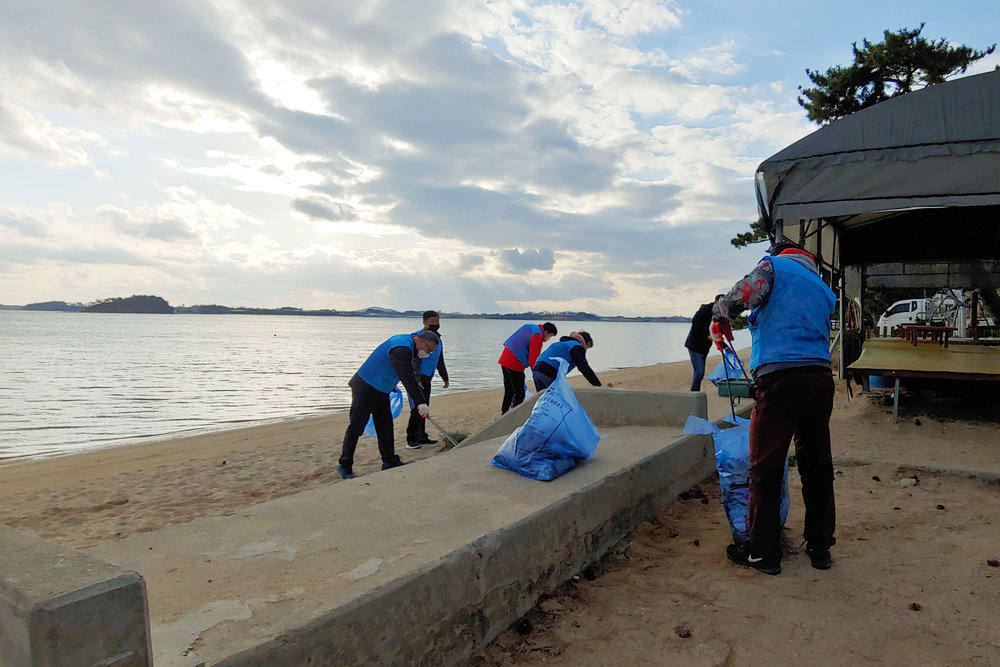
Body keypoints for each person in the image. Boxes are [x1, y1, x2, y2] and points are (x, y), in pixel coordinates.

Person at [712, 240, 837, 576]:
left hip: (781, 378)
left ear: (780, 252)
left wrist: (720, 312)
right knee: (817, 464)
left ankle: (763, 553)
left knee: (765, 467)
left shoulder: (773, 266)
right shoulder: (823, 288)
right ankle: (820, 546)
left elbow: (746, 294)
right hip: (820, 378)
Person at [338, 330, 439, 479]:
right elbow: (406, 375)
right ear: (422, 342)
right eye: (429, 349)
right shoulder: (402, 347)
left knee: (385, 426)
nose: (428, 353)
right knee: (356, 426)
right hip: (365, 388)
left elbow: (393, 368)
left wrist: (391, 384)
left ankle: (389, 461)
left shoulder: (409, 346)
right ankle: (345, 464)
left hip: (381, 390)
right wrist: (420, 402)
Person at [405, 310, 450, 449]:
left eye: (437, 322)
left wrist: (445, 378)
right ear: (424, 323)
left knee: (425, 407)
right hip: (417, 378)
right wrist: (417, 379)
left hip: (428, 377)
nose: (435, 325)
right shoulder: (419, 338)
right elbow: (414, 361)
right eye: (432, 323)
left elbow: (439, 360)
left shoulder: (438, 340)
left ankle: (421, 435)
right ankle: (411, 438)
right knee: (417, 408)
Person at [498, 322, 557, 413]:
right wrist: (537, 374)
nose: (548, 338)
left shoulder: (530, 327)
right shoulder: (537, 336)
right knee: (520, 393)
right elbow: (533, 359)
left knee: (509, 390)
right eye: (550, 336)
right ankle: (514, 415)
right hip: (515, 363)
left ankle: (504, 412)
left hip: (505, 358)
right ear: (546, 332)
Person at [531, 331, 601, 392]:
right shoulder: (577, 347)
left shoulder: (563, 343)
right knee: (560, 398)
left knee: (544, 399)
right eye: (587, 347)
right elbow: (583, 367)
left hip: (536, 369)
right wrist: (597, 385)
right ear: (587, 343)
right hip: (549, 370)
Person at [685, 296, 722, 391]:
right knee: (699, 371)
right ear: (716, 302)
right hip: (694, 345)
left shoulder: (720, 314)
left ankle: (695, 392)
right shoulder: (705, 309)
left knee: (699, 372)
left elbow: (720, 329)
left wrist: (723, 345)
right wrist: (708, 333)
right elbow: (696, 321)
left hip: (705, 347)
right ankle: (694, 393)